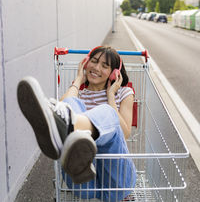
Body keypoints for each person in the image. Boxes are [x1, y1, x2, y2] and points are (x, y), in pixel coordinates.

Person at [17, 46, 136, 201]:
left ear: (114, 73)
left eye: (104, 66)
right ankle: (70, 129)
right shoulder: (79, 96)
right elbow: (60, 109)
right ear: (85, 63)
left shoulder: (123, 94)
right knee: (70, 103)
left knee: (107, 111)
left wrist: (111, 96)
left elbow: (125, 133)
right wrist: (79, 79)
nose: (96, 67)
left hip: (116, 182)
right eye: (93, 61)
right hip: (84, 184)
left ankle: (71, 128)